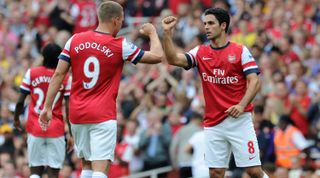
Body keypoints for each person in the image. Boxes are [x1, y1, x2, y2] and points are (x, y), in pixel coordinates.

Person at [39, 1, 163, 178]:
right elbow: (157, 56)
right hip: (102, 114)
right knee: (101, 167)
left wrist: (47, 107)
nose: (121, 25)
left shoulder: (74, 40)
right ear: (115, 20)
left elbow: (58, 75)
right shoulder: (120, 45)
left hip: (78, 114)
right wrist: (152, 33)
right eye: (121, 21)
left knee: (87, 165)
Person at [162, 8, 269, 178]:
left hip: (239, 120)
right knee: (216, 173)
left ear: (223, 25)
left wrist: (241, 105)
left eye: (211, 23)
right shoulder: (200, 52)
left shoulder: (240, 51)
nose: (206, 27)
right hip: (213, 123)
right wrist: (167, 34)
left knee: (253, 171)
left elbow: (255, 81)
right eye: (205, 23)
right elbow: (173, 59)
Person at [13, 43, 73, 178]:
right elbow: (69, 108)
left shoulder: (31, 73)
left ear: (42, 56)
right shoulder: (66, 78)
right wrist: (71, 133)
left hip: (35, 126)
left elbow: (20, 101)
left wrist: (16, 119)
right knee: (53, 171)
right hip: (56, 128)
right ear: (60, 58)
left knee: (35, 170)